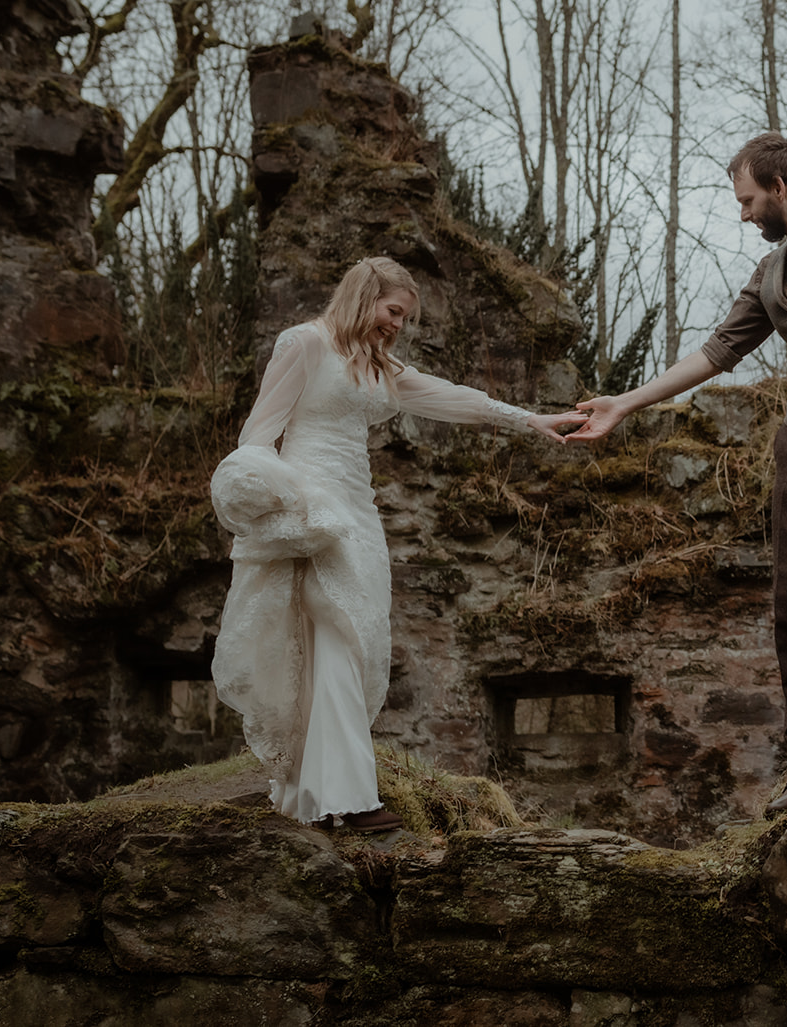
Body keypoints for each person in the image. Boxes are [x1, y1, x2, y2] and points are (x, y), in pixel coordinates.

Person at [566, 132, 787, 817]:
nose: (743, 213)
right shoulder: (770, 272)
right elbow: (714, 353)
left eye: (747, 199)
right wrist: (625, 402)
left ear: (781, 186)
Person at [210, 256, 583, 832]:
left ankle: (317, 794)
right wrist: (277, 499)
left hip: (361, 512)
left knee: (354, 638)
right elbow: (258, 434)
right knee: (335, 632)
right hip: (316, 506)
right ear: (364, 296)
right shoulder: (305, 344)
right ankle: (348, 800)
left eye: (405, 318)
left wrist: (529, 419)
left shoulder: (379, 367)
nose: (398, 326)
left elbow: (453, 397)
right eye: (393, 312)